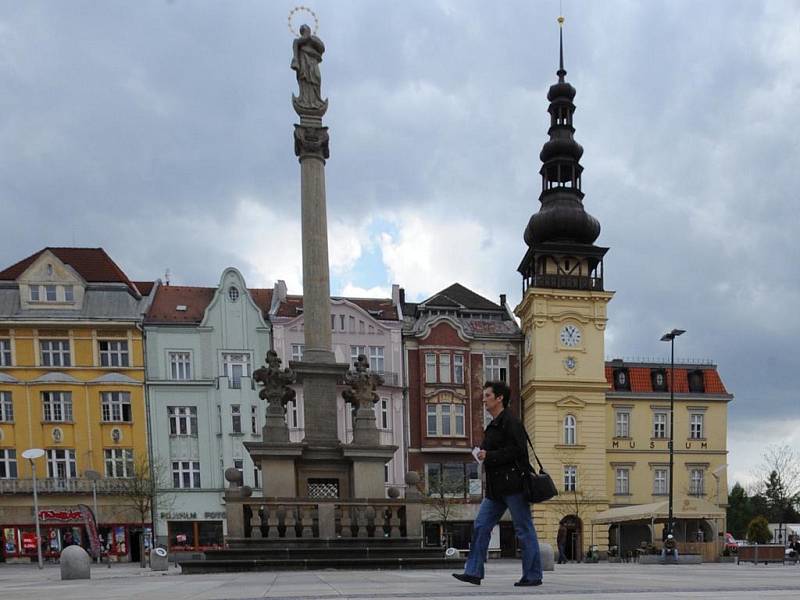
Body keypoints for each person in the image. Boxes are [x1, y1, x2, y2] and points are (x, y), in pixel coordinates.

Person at [452, 381, 543, 587]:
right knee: (481, 526)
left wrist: (489, 455)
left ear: (499, 398)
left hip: (514, 485)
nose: (483, 399)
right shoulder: (493, 425)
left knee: (524, 529)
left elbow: (519, 451)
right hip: (496, 489)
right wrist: (481, 454)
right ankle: (473, 572)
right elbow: (490, 452)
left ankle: (533, 575)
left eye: (487, 395)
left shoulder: (511, 422)